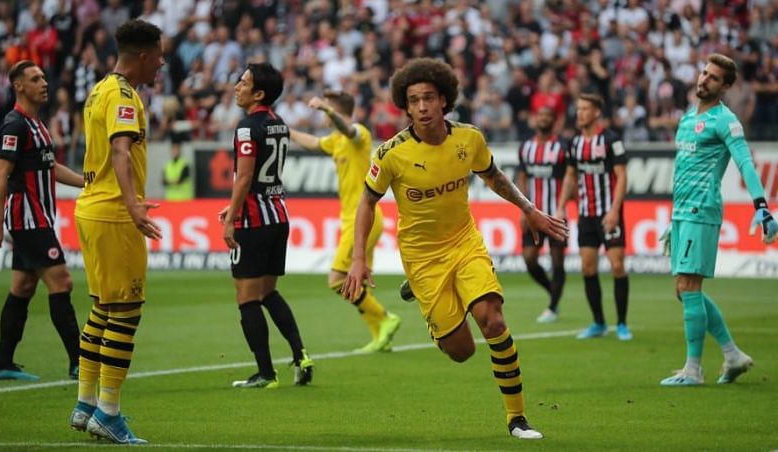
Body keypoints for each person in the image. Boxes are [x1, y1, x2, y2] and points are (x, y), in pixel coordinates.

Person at [341, 58, 569, 441]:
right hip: (422, 257)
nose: (422, 107)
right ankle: (422, 293)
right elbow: (366, 202)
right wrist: (359, 259)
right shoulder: (390, 154)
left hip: (464, 242)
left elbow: (494, 177)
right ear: (406, 106)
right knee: (461, 350)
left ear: (444, 100)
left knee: (493, 320)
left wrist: (529, 210)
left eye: (429, 98)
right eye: (414, 101)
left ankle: (517, 419)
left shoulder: (469, 139)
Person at [69, 19, 164, 444]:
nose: (161, 64)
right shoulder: (124, 96)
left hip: (91, 208)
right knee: (125, 313)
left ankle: (86, 403)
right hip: (112, 213)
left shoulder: (99, 89)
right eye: (158, 57)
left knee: (102, 310)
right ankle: (109, 411)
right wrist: (132, 206)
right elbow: (121, 150)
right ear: (143, 56)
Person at [659, 53, 777, 386]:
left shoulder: (726, 121)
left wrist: (761, 207)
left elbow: (745, 163)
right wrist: (672, 219)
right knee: (682, 291)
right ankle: (732, 355)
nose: (703, 80)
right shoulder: (686, 118)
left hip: (702, 210)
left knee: (689, 287)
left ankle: (693, 369)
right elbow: (684, 170)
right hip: (682, 213)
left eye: (712, 77)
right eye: (703, 73)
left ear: (725, 86)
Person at [0, 60, 85, 382]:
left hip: (38, 217)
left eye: (43, 76)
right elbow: (1, 172)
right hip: (27, 219)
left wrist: (87, 181)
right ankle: (79, 362)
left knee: (23, 286)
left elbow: (50, 166)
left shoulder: (37, 125)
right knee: (62, 281)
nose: (44, 82)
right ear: (19, 86)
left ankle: (3, 363)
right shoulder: (14, 125)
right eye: (35, 79)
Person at [220, 62, 314, 390]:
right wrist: (233, 205)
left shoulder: (247, 127)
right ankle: (301, 354)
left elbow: (245, 176)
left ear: (258, 93)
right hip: (278, 216)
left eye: (243, 82)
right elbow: (260, 177)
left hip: (253, 222)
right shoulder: (279, 124)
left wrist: (232, 218)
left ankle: (266, 374)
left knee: (247, 298)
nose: (237, 87)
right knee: (268, 292)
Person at [289, 90, 401, 353]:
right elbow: (313, 142)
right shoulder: (335, 141)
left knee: (337, 279)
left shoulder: (358, 134)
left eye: (329, 108)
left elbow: (348, 128)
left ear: (337, 110)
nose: (324, 115)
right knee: (357, 282)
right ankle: (379, 337)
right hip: (354, 220)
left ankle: (385, 318)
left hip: (365, 219)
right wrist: (286, 131)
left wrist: (327, 111)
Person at [558, 93, 632, 341]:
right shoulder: (574, 143)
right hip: (586, 215)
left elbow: (621, 176)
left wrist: (614, 210)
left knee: (617, 265)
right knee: (588, 267)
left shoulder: (611, 140)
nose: (580, 113)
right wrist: (561, 207)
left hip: (608, 214)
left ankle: (622, 323)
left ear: (597, 112)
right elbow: (570, 176)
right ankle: (599, 322)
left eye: (585, 109)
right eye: (578, 109)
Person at [515, 106, 568, 323]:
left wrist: (563, 205)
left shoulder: (562, 147)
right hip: (533, 215)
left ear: (554, 121)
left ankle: (553, 307)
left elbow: (570, 178)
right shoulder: (526, 147)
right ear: (535, 120)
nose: (543, 119)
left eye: (548, 116)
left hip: (555, 214)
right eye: (540, 116)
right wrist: (523, 208)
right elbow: (522, 177)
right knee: (529, 258)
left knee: (557, 262)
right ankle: (552, 292)